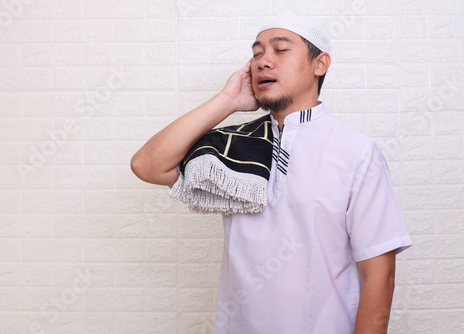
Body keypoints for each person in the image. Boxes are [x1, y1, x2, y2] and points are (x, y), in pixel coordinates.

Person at [131, 11, 412, 334]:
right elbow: (148, 165)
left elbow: (380, 275)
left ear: (319, 64)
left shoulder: (356, 152)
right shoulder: (230, 147)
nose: (263, 61)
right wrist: (227, 101)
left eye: (280, 50)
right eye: (256, 54)